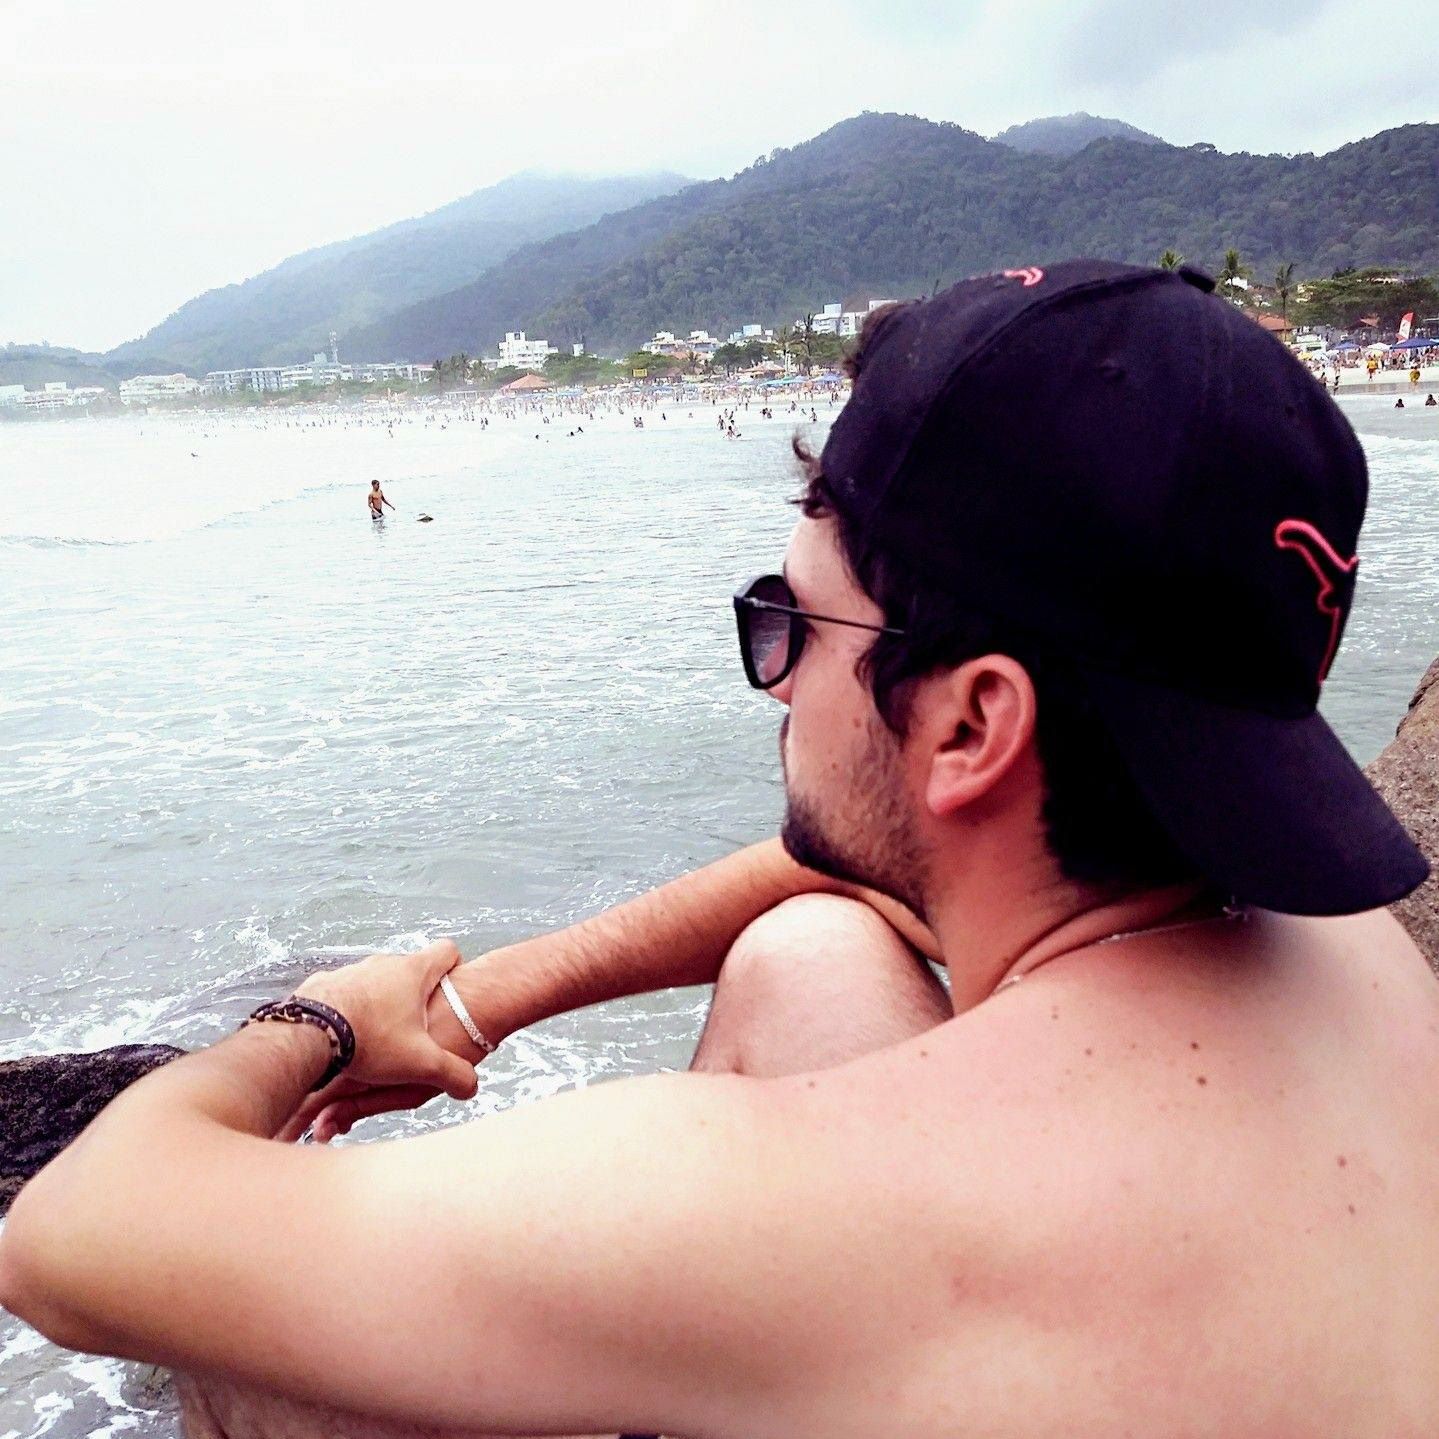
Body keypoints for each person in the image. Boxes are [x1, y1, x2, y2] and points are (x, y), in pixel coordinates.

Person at [3, 261, 1436, 1439]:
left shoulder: (828, 1213)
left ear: (972, 723)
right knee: (806, 950)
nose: (775, 681)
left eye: (790, 620)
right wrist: (481, 1000)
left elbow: (77, 1235)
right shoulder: (1350, 957)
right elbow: (840, 873)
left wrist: (319, 1022)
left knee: (260, 1365)